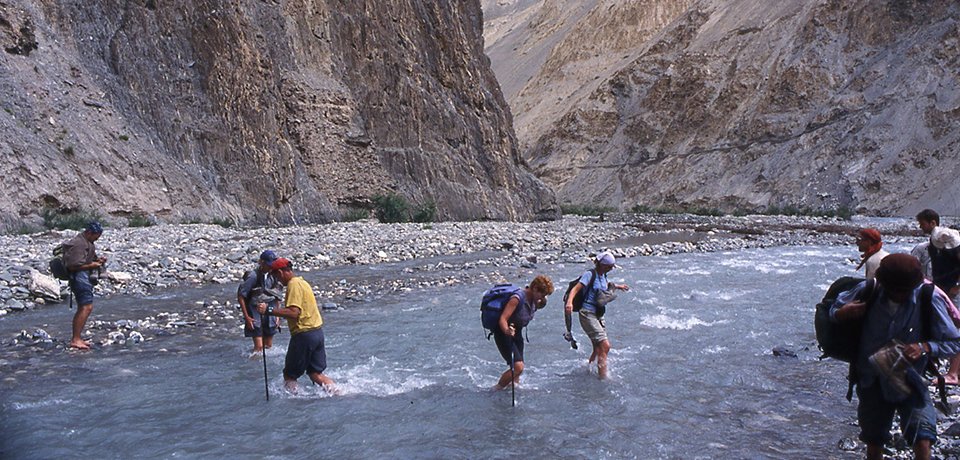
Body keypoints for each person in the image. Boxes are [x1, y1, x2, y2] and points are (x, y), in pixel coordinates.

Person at [830, 254, 960, 460]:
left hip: (912, 380)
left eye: (905, 290)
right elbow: (832, 310)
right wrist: (840, 313)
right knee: (874, 442)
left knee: (923, 438)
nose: (899, 295)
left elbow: (955, 342)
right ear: (883, 283)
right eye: (895, 290)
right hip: (871, 379)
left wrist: (924, 347)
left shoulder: (929, 297)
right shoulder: (868, 290)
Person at [257, 257, 337, 394]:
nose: (277, 280)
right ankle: (339, 393)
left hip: (303, 335)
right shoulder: (303, 282)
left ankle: (295, 402)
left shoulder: (293, 285)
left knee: (289, 375)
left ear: (281, 272)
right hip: (317, 332)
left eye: (276, 275)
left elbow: (294, 313)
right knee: (315, 373)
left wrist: (268, 311)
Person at [564, 252, 630, 379]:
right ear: (602, 265)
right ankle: (603, 378)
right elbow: (576, 289)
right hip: (587, 313)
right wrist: (569, 302)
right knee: (605, 345)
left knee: (597, 347)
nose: (611, 269)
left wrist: (618, 286)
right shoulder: (589, 275)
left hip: (598, 313)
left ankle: (589, 369)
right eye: (610, 266)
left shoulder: (603, 275)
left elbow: (605, 285)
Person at [915, 209, 960, 385]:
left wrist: (956, 286)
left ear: (932, 222)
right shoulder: (937, 240)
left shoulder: (944, 237)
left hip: (953, 290)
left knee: (955, 328)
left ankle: (953, 373)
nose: (921, 227)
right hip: (945, 287)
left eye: (922, 223)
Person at [491, 275, 555, 390]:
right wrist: (507, 330)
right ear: (535, 288)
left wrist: (542, 299)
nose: (543, 298)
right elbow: (503, 319)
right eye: (542, 294)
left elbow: (540, 304)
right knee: (518, 367)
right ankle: (495, 390)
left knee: (517, 371)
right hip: (504, 333)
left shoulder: (535, 300)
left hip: (518, 333)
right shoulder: (517, 298)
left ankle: (513, 389)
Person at [62, 221, 107, 350]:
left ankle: (77, 337)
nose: (97, 239)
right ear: (89, 232)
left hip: (83, 277)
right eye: (96, 236)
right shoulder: (79, 244)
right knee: (86, 307)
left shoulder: (87, 242)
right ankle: (75, 339)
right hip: (79, 278)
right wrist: (92, 266)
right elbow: (73, 266)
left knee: (85, 306)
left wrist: (98, 261)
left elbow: (85, 259)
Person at [238, 250, 282, 354]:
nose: (270, 267)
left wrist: (277, 316)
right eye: (268, 265)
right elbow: (241, 296)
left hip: (270, 309)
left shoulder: (275, 275)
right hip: (254, 310)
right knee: (259, 348)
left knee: (268, 346)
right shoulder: (253, 276)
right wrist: (247, 317)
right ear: (261, 262)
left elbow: (277, 296)